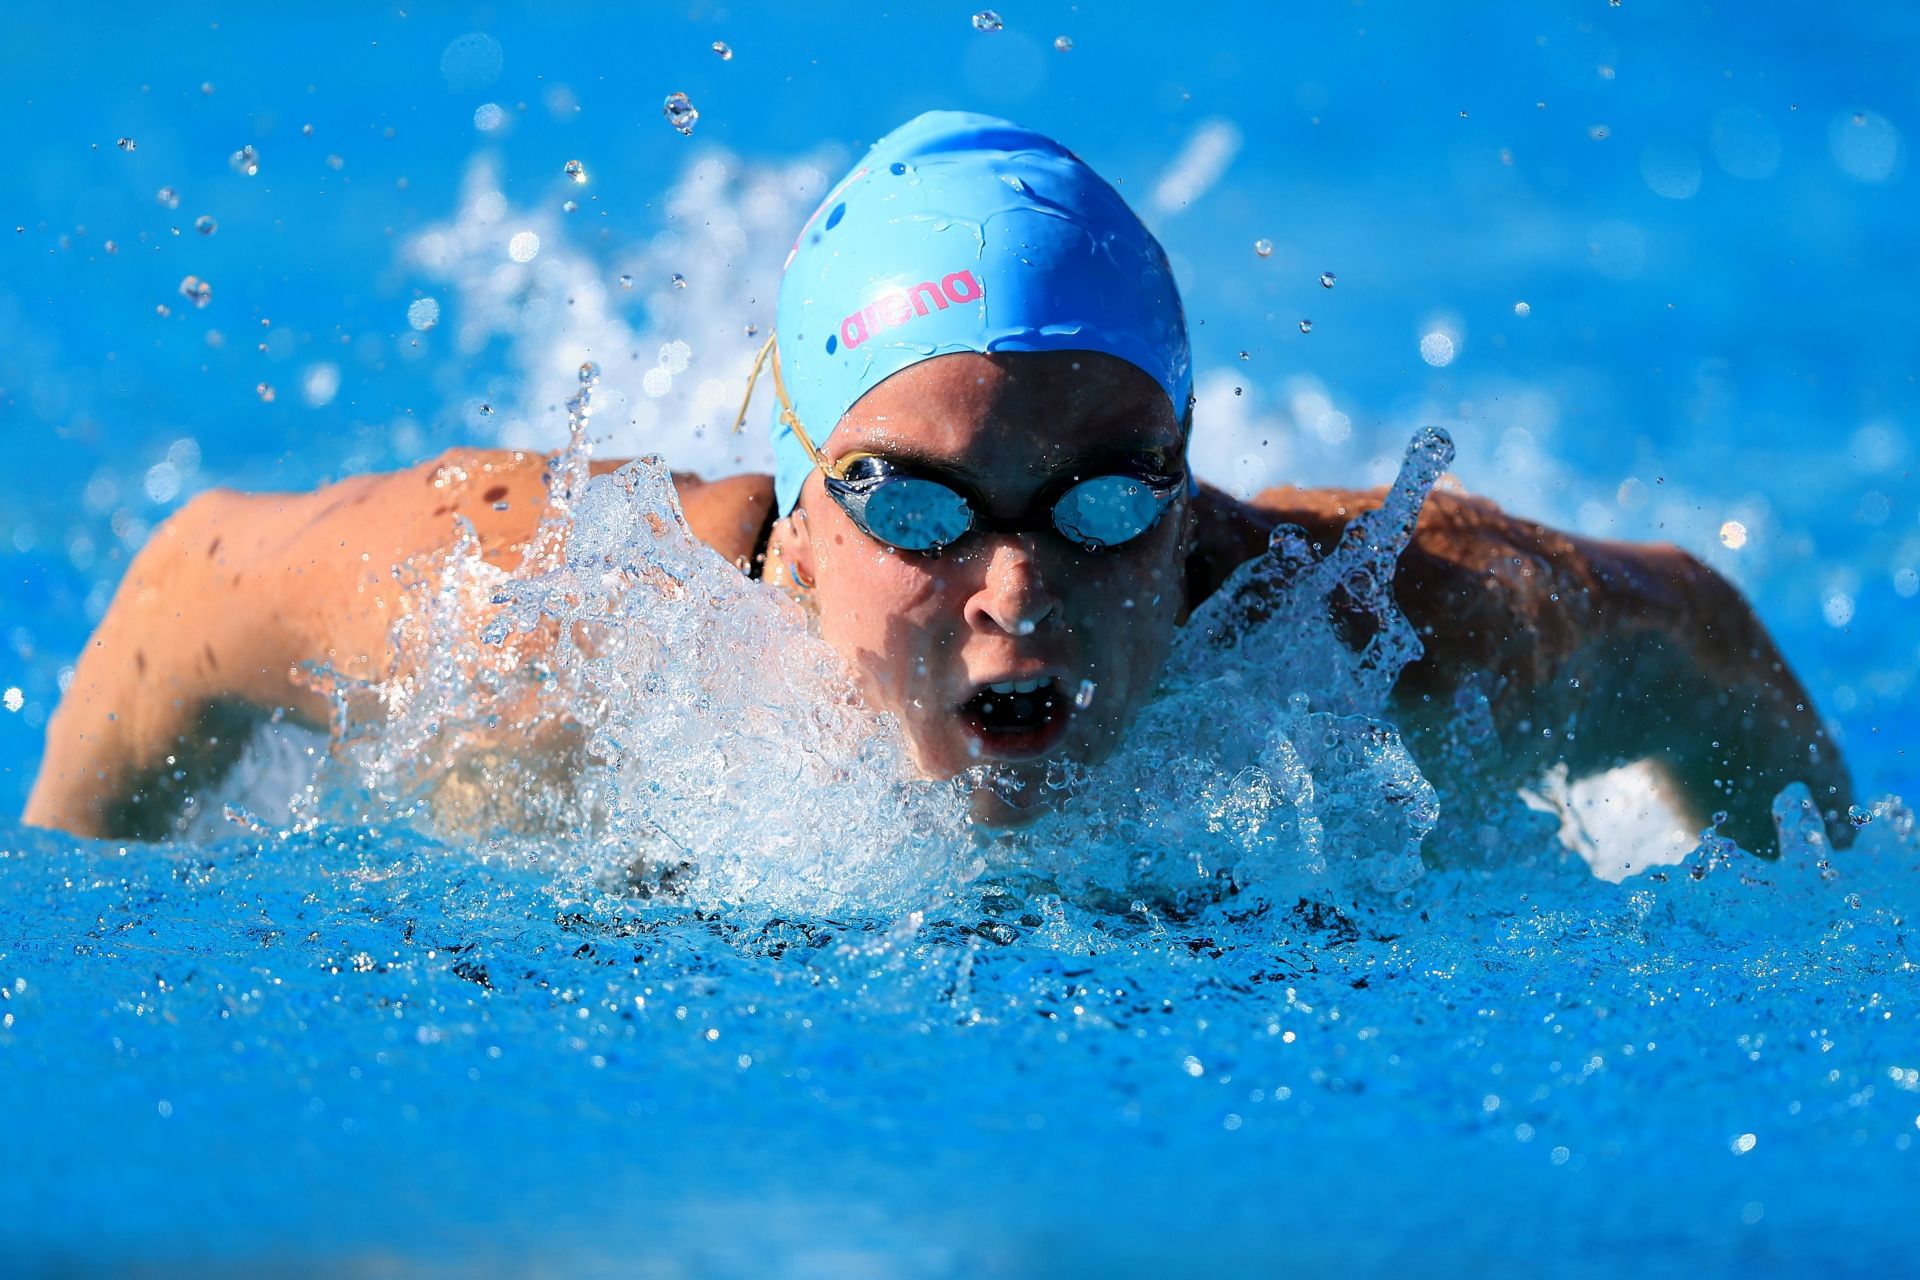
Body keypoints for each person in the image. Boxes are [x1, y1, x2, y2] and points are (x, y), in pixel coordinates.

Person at [23, 111, 1852, 853]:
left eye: (1111, 498)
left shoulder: (1395, 649)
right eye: (909, 502)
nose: (1015, 588)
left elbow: (1695, 633)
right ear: (804, 506)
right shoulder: (533, 640)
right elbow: (190, 585)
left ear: (1191, 485)